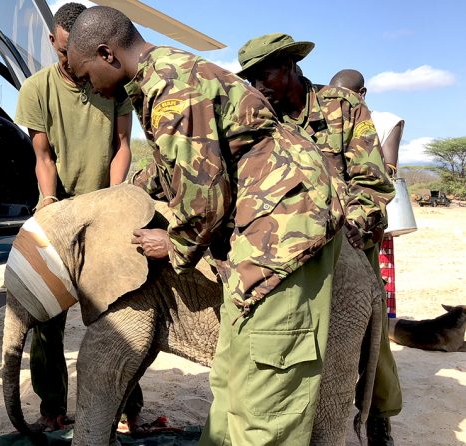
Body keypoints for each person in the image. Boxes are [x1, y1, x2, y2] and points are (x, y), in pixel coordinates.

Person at [67, 7, 344, 445]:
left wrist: (173, 244)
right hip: (250, 233)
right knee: (232, 379)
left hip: (282, 234)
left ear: (107, 54)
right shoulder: (160, 80)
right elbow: (167, 168)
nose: (86, 87)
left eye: (85, 75)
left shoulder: (173, 87)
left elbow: (204, 199)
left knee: (266, 393)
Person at [236, 34, 398, 445]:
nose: (257, 87)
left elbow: (373, 182)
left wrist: (352, 226)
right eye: (250, 79)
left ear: (291, 66)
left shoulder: (342, 108)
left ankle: (378, 415)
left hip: (348, 243)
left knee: (367, 338)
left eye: (263, 75)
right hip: (286, 251)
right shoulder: (260, 117)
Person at [13, 2, 138, 432]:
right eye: (66, 52)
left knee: (120, 312)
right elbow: (43, 156)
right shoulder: (36, 89)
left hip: (105, 208)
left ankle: (126, 408)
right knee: (47, 318)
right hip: (61, 213)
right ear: (54, 43)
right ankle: (53, 408)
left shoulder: (114, 83)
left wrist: (114, 198)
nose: (73, 62)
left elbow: (123, 144)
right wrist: (49, 201)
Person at [329, 68, 404, 446]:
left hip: (363, 233)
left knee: (371, 327)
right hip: (329, 231)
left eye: (350, 96)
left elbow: (384, 175)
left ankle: (378, 416)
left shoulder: (383, 122)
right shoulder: (326, 114)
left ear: (364, 93)